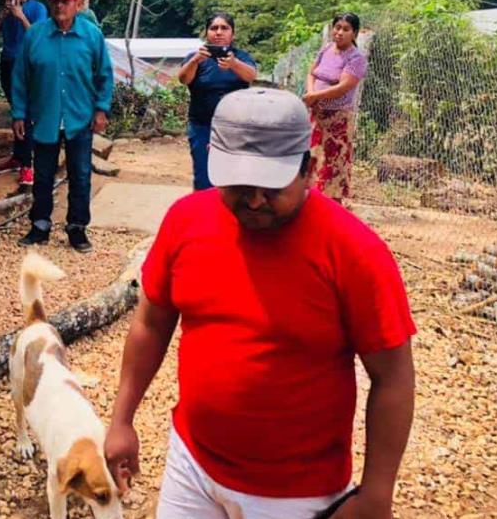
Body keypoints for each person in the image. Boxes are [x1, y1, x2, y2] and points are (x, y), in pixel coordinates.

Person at [104, 88, 416, 519]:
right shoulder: (186, 220)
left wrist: (378, 494)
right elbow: (152, 323)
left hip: (297, 494)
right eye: (238, 184)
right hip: (192, 465)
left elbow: (394, 377)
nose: (253, 200)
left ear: (308, 169)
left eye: (271, 186)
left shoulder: (353, 252)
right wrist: (122, 418)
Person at [13, 0, 113, 253]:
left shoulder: (92, 36)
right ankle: (40, 225)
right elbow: (21, 77)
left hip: (80, 118)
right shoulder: (35, 35)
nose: (60, 5)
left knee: (80, 175)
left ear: (77, 4)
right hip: (44, 116)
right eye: (55, 0)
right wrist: (19, 113)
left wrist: (101, 109)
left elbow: (104, 75)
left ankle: (77, 228)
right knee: (43, 175)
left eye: (65, 0)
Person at [177, 12, 256, 191]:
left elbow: (251, 76)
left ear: (232, 34)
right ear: (207, 33)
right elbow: (183, 79)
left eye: (224, 28)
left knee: (233, 177)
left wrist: (234, 64)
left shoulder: (240, 57)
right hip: (202, 126)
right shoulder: (195, 57)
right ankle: (205, 216)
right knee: (204, 177)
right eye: (214, 28)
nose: (219, 32)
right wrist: (196, 61)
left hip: (235, 127)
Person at [0, 0, 47, 188]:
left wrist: (20, 15)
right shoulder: (5, 10)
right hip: (7, 62)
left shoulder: (37, 8)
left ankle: (27, 165)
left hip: (27, 66)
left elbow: (39, 37)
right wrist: (1, 16)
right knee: (16, 111)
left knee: (27, 113)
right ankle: (17, 156)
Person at [303, 12, 368, 202]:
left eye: (346, 29)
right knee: (312, 157)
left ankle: (332, 203)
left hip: (337, 118)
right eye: (337, 28)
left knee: (333, 161)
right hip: (316, 114)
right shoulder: (326, 49)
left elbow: (343, 87)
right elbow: (311, 72)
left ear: (354, 34)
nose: (339, 32)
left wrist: (315, 95)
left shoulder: (356, 58)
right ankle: (311, 198)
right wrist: (311, 93)